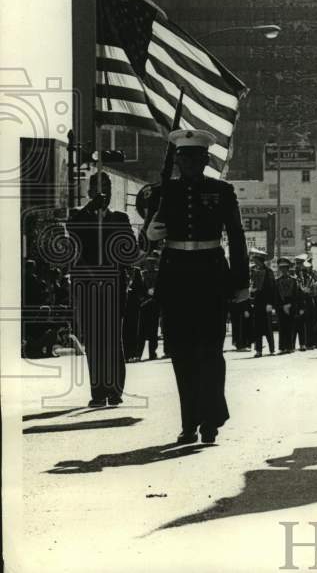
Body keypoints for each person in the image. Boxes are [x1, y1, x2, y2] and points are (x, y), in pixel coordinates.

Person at [143, 129, 249, 444]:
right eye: (184, 156)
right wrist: (150, 235)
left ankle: (211, 418)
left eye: (196, 157)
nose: (190, 162)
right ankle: (190, 422)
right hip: (175, 277)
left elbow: (237, 237)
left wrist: (241, 282)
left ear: (205, 160)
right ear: (176, 159)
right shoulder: (161, 192)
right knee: (181, 354)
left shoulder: (222, 190)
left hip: (211, 276)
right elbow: (144, 243)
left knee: (211, 352)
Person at [66, 171, 138, 407]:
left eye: (105, 189)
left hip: (113, 284)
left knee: (112, 338)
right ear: (89, 193)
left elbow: (129, 252)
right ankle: (98, 392)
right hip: (87, 285)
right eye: (96, 189)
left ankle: (115, 390)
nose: (101, 193)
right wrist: (90, 210)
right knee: (95, 340)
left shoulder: (120, 218)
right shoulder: (78, 215)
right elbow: (74, 233)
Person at [249, 249, 276, 357]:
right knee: (257, 327)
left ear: (260, 260)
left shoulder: (269, 272)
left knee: (268, 327)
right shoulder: (253, 271)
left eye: (256, 260)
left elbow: (272, 289)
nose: (255, 262)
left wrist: (270, 303)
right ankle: (258, 350)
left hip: (266, 303)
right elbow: (251, 285)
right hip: (257, 303)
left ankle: (271, 349)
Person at [275, 258, 304, 353]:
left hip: (291, 305)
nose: (283, 270)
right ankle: (282, 347)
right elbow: (275, 295)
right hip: (281, 306)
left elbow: (297, 295)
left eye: (285, 268)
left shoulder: (294, 280)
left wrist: (292, 305)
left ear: (288, 269)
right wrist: (282, 305)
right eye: (281, 268)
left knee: (291, 326)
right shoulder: (277, 281)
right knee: (282, 327)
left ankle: (290, 346)